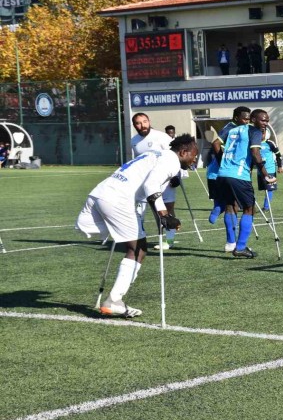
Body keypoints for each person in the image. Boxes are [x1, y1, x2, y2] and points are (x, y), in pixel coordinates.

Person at [75, 134, 198, 317]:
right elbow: (151, 185)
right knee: (138, 249)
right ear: (183, 152)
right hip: (118, 199)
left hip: (100, 193)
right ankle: (114, 301)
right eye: (193, 156)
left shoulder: (154, 154)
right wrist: (164, 215)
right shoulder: (171, 161)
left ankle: (114, 300)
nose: (194, 160)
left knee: (136, 245)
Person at [213, 107, 275, 258]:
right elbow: (255, 153)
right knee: (249, 208)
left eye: (267, 120)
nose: (266, 123)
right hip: (239, 176)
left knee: (230, 205)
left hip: (223, 174)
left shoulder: (233, 129)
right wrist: (266, 174)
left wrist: (224, 163)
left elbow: (215, 143)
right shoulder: (254, 132)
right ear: (253, 119)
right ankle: (240, 247)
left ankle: (230, 242)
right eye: (263, 120)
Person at [130, 113, 180, 250]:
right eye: (138, 123)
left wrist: (176, 176)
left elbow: (174, 156)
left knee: (168, 209)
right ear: (134, 125)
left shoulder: (161, 137)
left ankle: (169, 240)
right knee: (152, 209)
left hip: (166, 179)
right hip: (147, 181)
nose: (142, 125)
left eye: (145, 121)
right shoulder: (134, 141)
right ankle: (140, 237)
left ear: (149, 121)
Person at [257, 134, 283, 212]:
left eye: (263, 133)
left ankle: (266, 207)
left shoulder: (270, 143)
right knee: (264, 188)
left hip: (270, 170)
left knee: (269, 189)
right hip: (260, 170)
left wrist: (279, 166)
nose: (262, 135)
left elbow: (278, 155)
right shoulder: (255, 143)